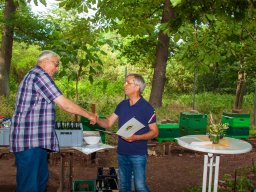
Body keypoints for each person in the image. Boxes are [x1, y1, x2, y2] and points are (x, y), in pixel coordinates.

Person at [9, 50, 97, 192]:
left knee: (40, 182)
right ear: (44, 62)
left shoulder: (34, 75)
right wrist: (89, 115)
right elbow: (64, 104)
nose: (57, 68)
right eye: (56, 64)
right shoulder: (40, 75)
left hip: (36, 142)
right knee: (29, 186)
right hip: (29, 142)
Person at [96, 73, 158, 192]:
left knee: (140, 187)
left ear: (137, 87)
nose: (124, 85)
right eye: (125, 82)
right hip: (122, 153)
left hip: (138, 154)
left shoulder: (147, 108)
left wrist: (136, 137)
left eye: (128, 83)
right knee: (124, 186)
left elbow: (155, 132)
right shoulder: (122, 105)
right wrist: (97, 119)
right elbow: (108, 123)